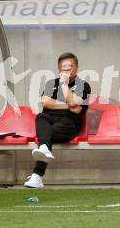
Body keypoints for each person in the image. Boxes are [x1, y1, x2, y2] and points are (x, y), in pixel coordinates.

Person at [24, 53, 91, 188]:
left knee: (45, 136)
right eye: (63, 67)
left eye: (70, 66)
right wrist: (68, 105)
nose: (66, 69)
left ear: (76, 68)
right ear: (59, 69)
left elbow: (75, 106)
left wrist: (64, 84)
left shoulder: (84, 86)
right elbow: (45, 102)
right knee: (40, 117)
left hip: (69, 124)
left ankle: (37, 174)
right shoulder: (51, 83)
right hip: (48, 119)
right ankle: (39, 170)